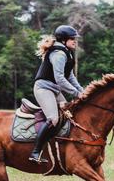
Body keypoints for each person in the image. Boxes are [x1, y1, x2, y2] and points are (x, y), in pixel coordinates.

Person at [29, 25, 84, 164]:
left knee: (67, 115)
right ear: (64, 39)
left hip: (54, 89)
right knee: (53, 118)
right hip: (44, 88)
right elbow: (59, 78)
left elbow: (70, 77)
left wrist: (83, 91)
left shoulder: (67, 53)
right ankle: (35, 152)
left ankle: (56, 146)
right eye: (72, 39)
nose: (75, 41)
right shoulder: (59, 54)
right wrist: (76, 93)